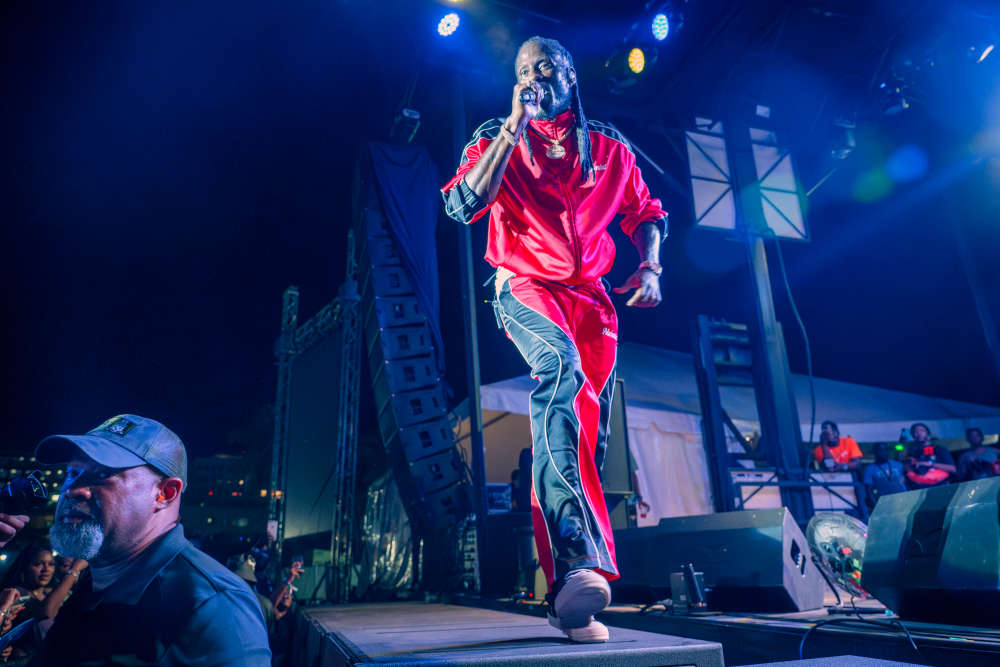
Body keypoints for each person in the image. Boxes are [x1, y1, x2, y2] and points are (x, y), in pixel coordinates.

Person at [442, 36, 667, 643]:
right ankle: (577, 560)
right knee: (560, 371)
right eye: (522, 70)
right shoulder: (496, 136)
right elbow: (462, 205)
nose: (533, 77)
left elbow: (647, 212)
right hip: (524, 286)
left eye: (544, 67)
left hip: (591, 300)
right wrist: (512, 127)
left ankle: (566, 593)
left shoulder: (609, 147)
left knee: (584, 434)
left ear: (570, 75)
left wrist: (650, 266)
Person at [32, 414, 271, 665]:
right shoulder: (95, 583)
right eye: (72, 473)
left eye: (102, 474)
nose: (72, 490)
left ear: (166, 493)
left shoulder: (212, 604)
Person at [904, 422, 956, 490]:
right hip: (920, 488)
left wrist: (930, 464)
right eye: (915, 432)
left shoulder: (939, 449)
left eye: (922, 430)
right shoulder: (913, 452)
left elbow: (953, 469)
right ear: (912, 435)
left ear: (928, 433)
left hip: (941, 487)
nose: (919, 433)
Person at [862, 443, 907, 507]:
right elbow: (868, 489)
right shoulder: (870, 468)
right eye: (880, 451)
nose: (883, 452)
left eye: (885, 450)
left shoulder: (898, 464)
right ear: (875, 453)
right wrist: (875, 504)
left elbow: (906, 481)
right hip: (885, 502)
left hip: (902, 499)